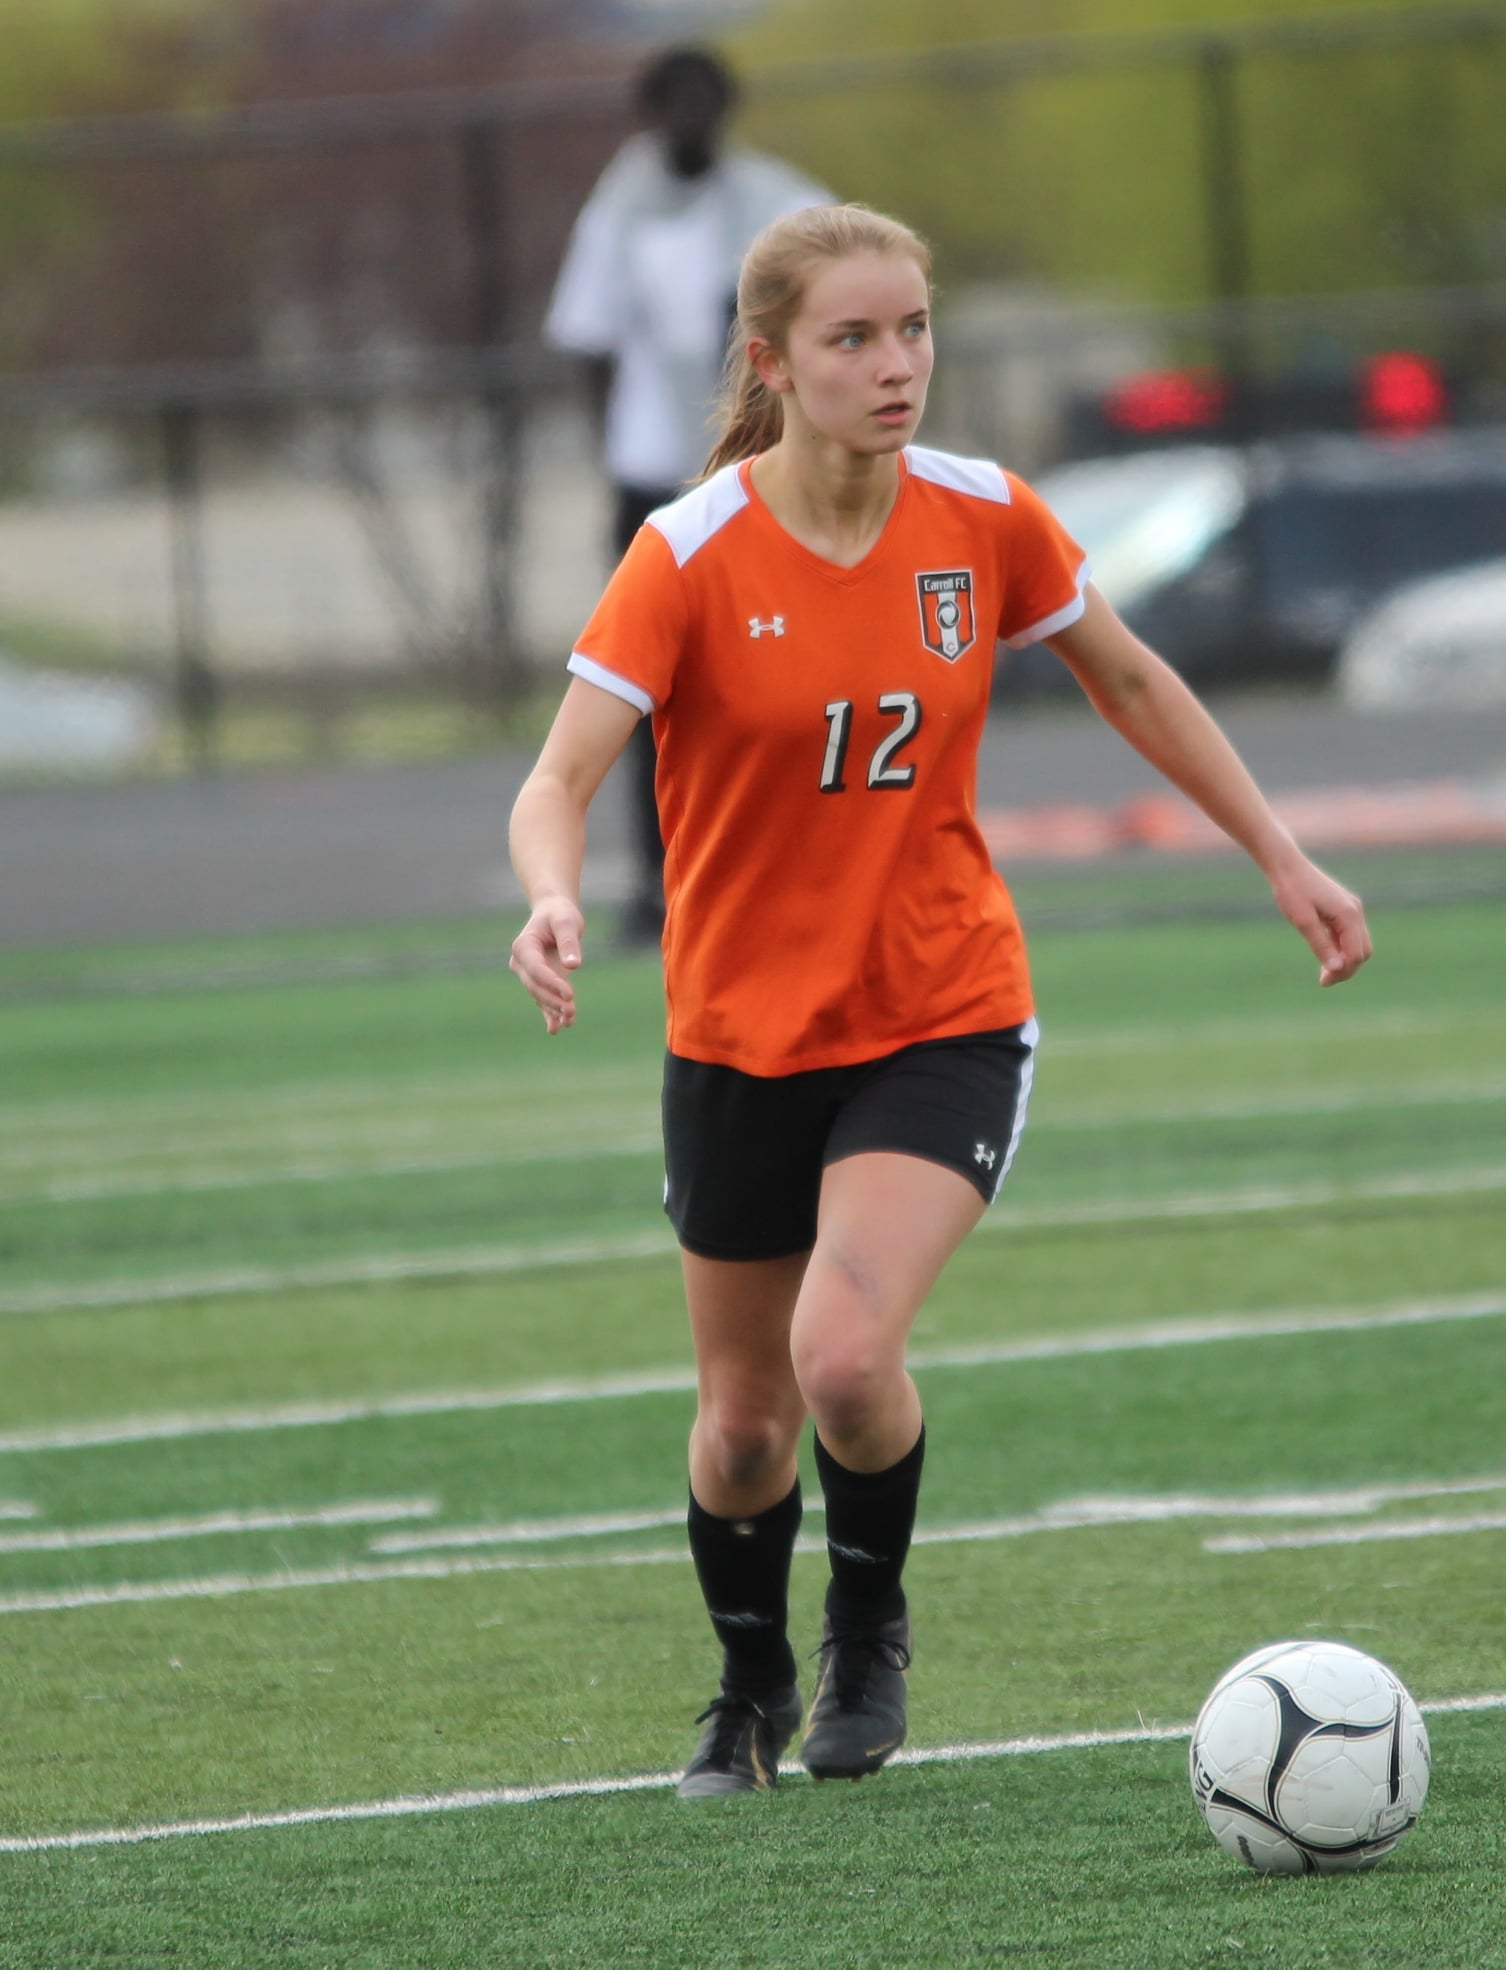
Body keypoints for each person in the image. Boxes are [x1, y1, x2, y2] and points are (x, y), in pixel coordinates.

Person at [508, 204, 1371, 1797]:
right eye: (852, 337)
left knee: (845, 1356)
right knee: (747, 1425)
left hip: (940, 1009)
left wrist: (1279, 854)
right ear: (772, 364)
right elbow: (559, 774)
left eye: (912, 330)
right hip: (738, 1036)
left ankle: (866, 1633)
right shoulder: (688, 553)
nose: (894, 363)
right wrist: (553, 894)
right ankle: (746, 1678)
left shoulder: (983, 516)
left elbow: (1126, 676)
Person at [543, 45, 829, 945]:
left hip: (766, 477)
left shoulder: (779, 204)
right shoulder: (619, 216)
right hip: (656, 482)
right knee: (641, 690)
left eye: (703, 98)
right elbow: (586, 340)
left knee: (790, 682)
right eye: (672, 100)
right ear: (650, 112)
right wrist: (618, 459)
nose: (689, 114)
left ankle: (801, 873)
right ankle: (664, 883)